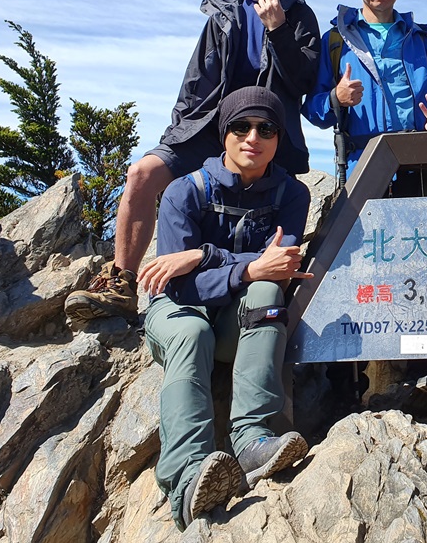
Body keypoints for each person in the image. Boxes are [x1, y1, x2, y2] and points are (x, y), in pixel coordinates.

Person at [65, 0, 320, 324]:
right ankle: (122, 281)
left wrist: (278, 30)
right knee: (142, 175)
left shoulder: (299, 15)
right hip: (207, 127)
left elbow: (305, 80)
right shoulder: (222, 10)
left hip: (262, 132)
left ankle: (246, 289)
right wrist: (176, 135)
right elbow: (195, 80)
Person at [139, 86, 312, 530]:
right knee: (191, 332)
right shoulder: (183, 192)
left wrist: (203, 256)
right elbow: (178, 287)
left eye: (266, 128)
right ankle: (185, 476)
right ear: (224, 135)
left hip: (236, 322)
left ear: (278, 138)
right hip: (180, 313)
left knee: (269, 293)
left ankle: (252, 438)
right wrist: (244, 266)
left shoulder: (292, 195)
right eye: (241, 126)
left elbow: (280, 267)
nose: (252, 136)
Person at [303, 0, 427, 194]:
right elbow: (313, 110)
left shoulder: (418, 38)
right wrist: (335, 98)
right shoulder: (336, 41)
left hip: (421, 164)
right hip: (362, 166)